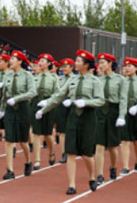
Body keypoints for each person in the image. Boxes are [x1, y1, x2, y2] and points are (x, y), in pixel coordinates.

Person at [37, 50, 105, 194]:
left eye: (79, 61)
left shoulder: (95, 81)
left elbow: (100, 100)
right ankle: (72, 184)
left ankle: (92, 176)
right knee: (71, 152)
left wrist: (86, 102)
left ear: (86, 65)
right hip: (73, 117)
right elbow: (58, 96)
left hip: (88, 117)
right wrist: (44, 109)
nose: (76, 63)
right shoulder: (72, 80)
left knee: (87, 154)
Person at [0, 51, 36, 178]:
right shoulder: (7, 76)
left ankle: (28, 161)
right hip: (9, 108)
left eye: (14, 59)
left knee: (22, 141)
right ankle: (10, 170)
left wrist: (17, 98)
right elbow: (4, 94)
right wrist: (2, 109)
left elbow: (32, 92)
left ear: (20, 61)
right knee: (9, 139)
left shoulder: (27, 76)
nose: (11, 61)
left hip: (22, 108)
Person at [93, 53, 127, 183]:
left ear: (110, 64)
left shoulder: (120, 79)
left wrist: (122, 116)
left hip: (113, 111)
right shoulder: (97, 80)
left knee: (113, 146)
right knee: (99, 144)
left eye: (102, 62)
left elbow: (123, 99)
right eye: (99, 63)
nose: (100, 65)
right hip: (100, 111)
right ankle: (100, 174)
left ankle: (113, 167)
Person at [31, 54, 59, 169]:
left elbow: (57, 93)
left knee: (47, 134)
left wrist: (48, 102)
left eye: (43, 61)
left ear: (49, 63)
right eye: (40, 61)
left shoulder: (54, 78)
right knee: (36, 132)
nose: (40, 63)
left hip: (48, 104)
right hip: (35, 103)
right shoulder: (34, 77)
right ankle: (37, 160)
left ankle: (52, 152)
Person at [120, 58, 137, 174]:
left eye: (130, 66)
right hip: (125, 110)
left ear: (136, 68)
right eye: (126, 66)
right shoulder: (122, 81)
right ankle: (125, 166)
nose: (127, 68)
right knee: (124, 140)